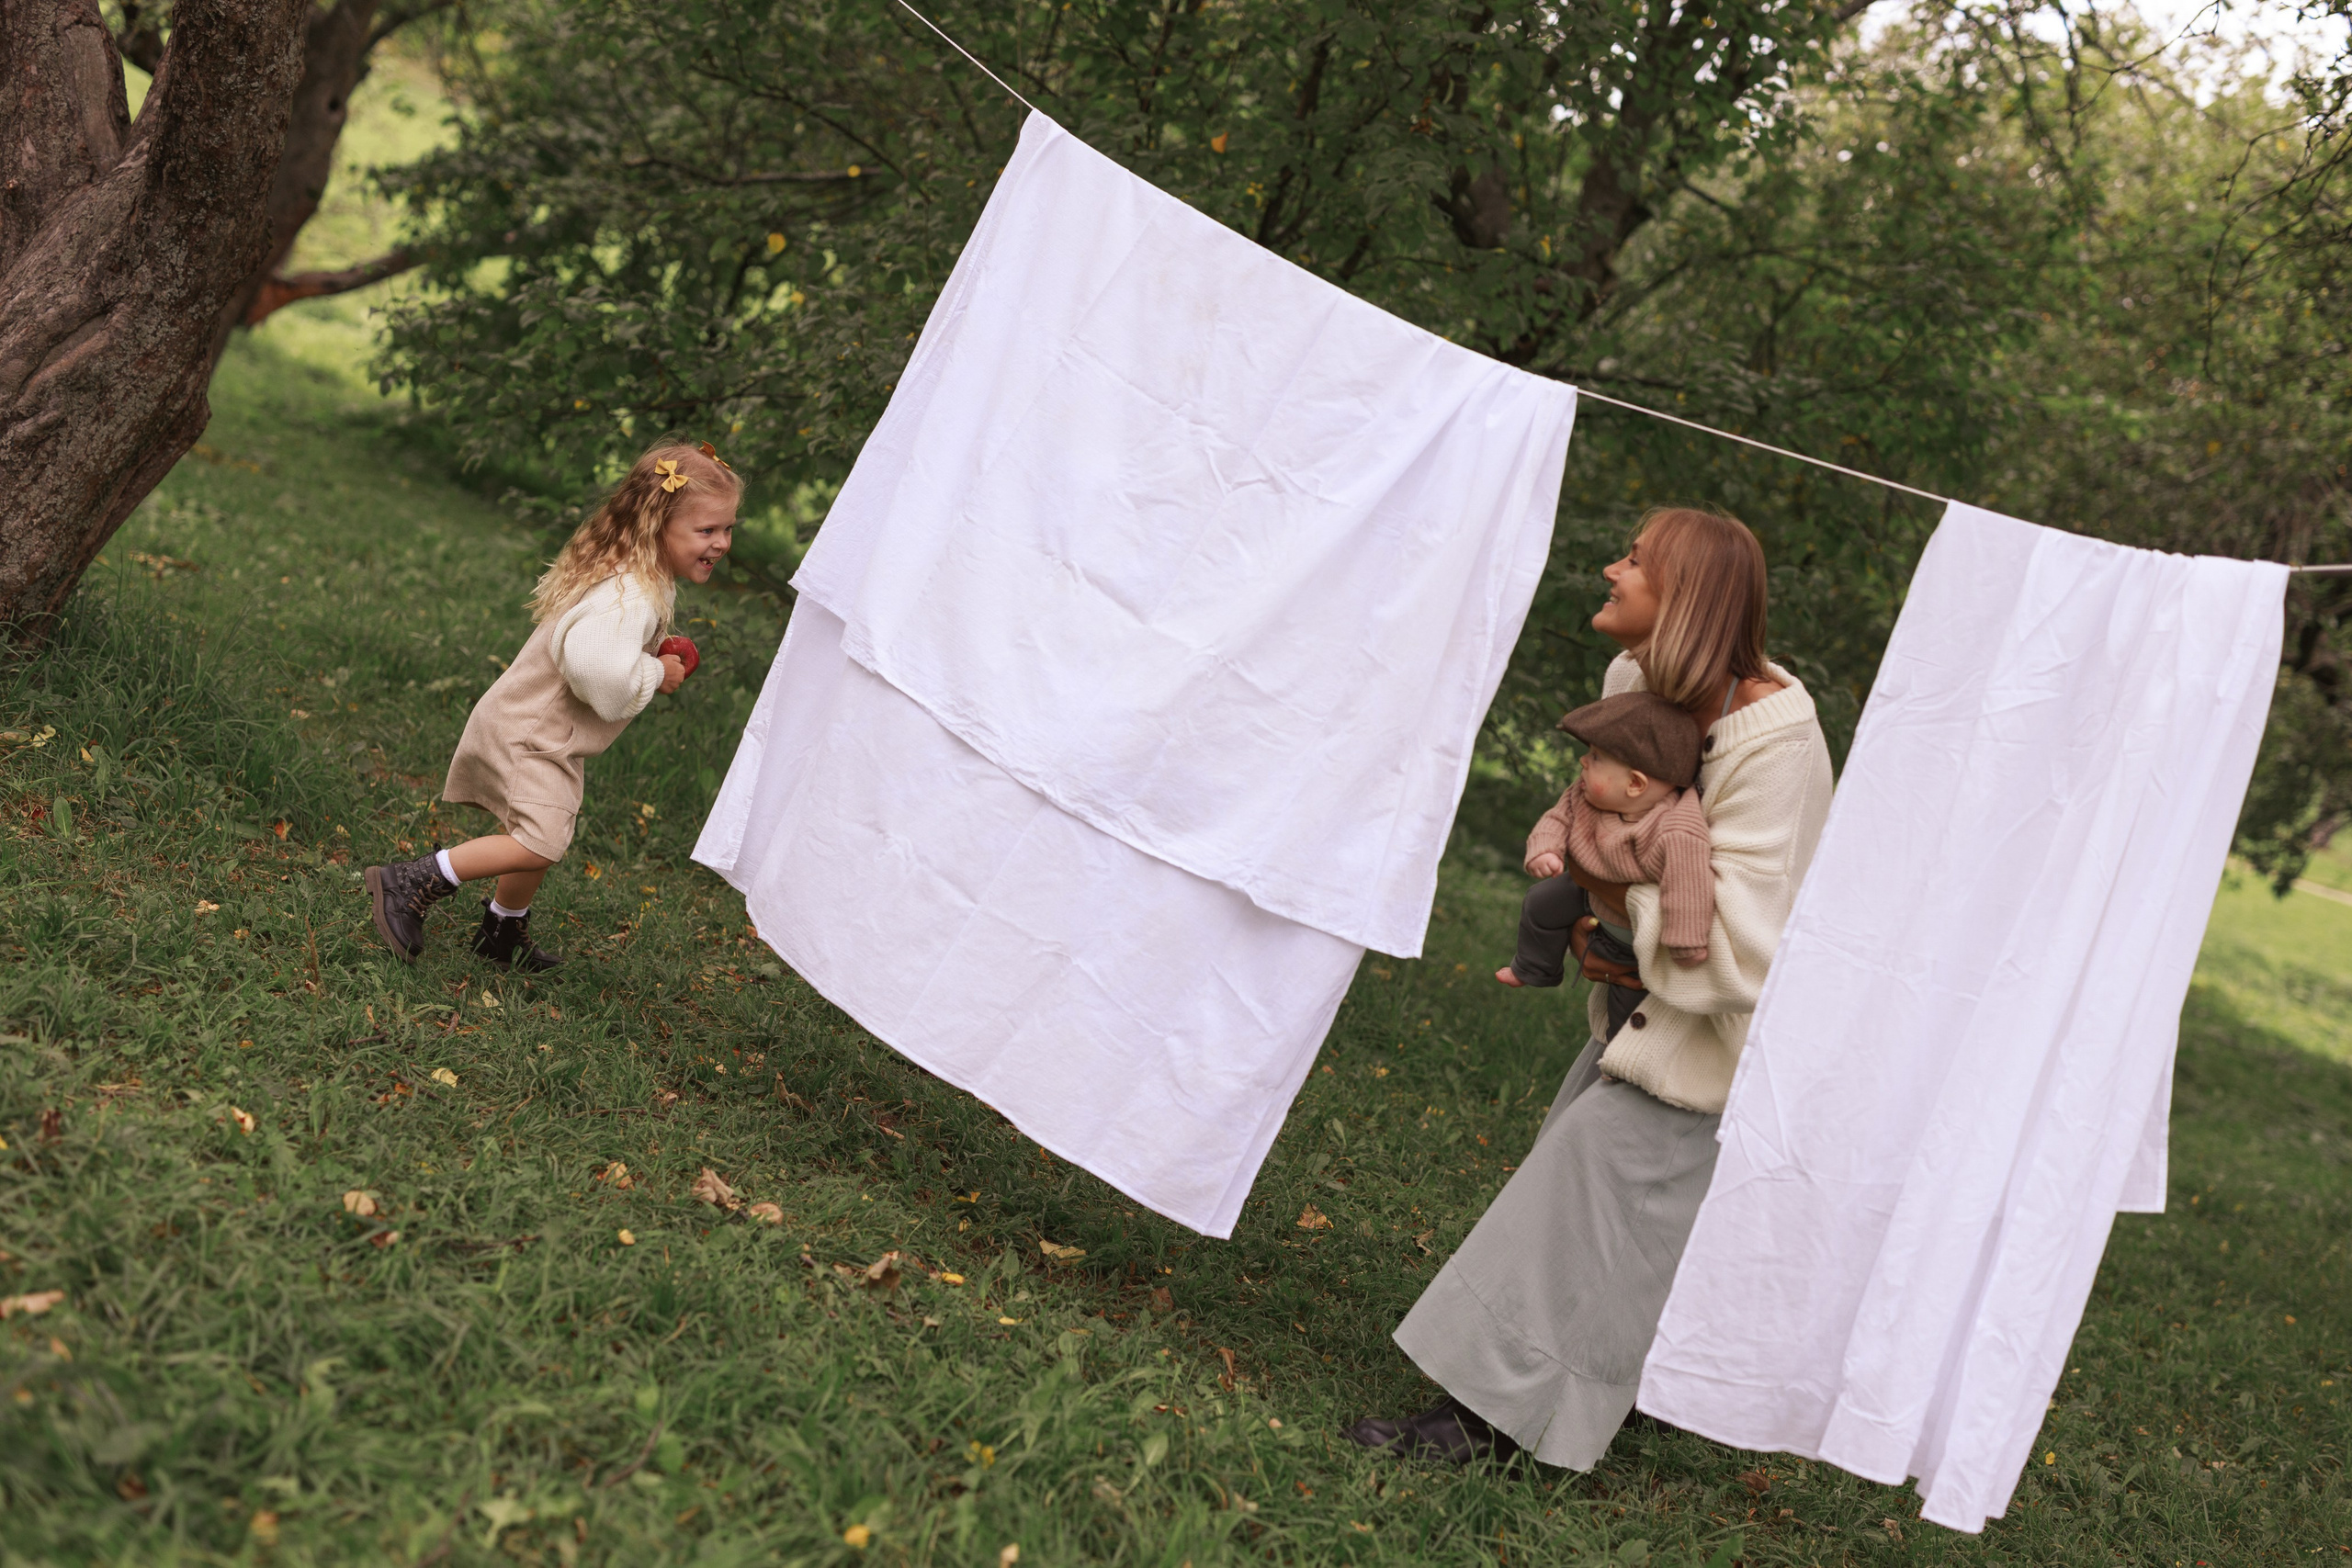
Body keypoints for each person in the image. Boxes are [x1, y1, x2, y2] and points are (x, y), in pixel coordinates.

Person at [1347, 505, 1835, 1469]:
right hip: (1645, 1004)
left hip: (1721, 1037)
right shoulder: (1635, 681)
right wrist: (1588, 912)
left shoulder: (1775, 742)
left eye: (1636, 561)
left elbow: (1743, 949)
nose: (1611, 569)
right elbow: (1595, 814)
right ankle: (1624, 1390)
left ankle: (1485, 1427)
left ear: (1685, 598)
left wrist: (1608, 902)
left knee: (1585, 1186)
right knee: (1612, 1212)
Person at [363, 442, 740, 971]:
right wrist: (656, 671)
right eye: (707, 531)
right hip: (530, 733)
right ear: (658, 527)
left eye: (727, 529)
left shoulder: (639, 578)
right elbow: (597, 674)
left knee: (545, 829)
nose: (721, 542)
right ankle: (412, 881)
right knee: (541, 841)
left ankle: (502, 928)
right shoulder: (629, 594)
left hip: (543, 731)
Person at [1495, 691, 1713, 1043]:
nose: (1583, 761)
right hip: (1585, 891)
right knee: (1541, 902)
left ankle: (1618, 1052)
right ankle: (1534, 967)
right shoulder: (1585, 794)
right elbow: (1558, 818)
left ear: (1635, 783)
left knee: (1628, 999)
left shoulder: (1675, 829)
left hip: (1632, 927)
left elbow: (1687, 888)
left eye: (1596, 757)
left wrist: (1685, 942)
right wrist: (1545, 849)